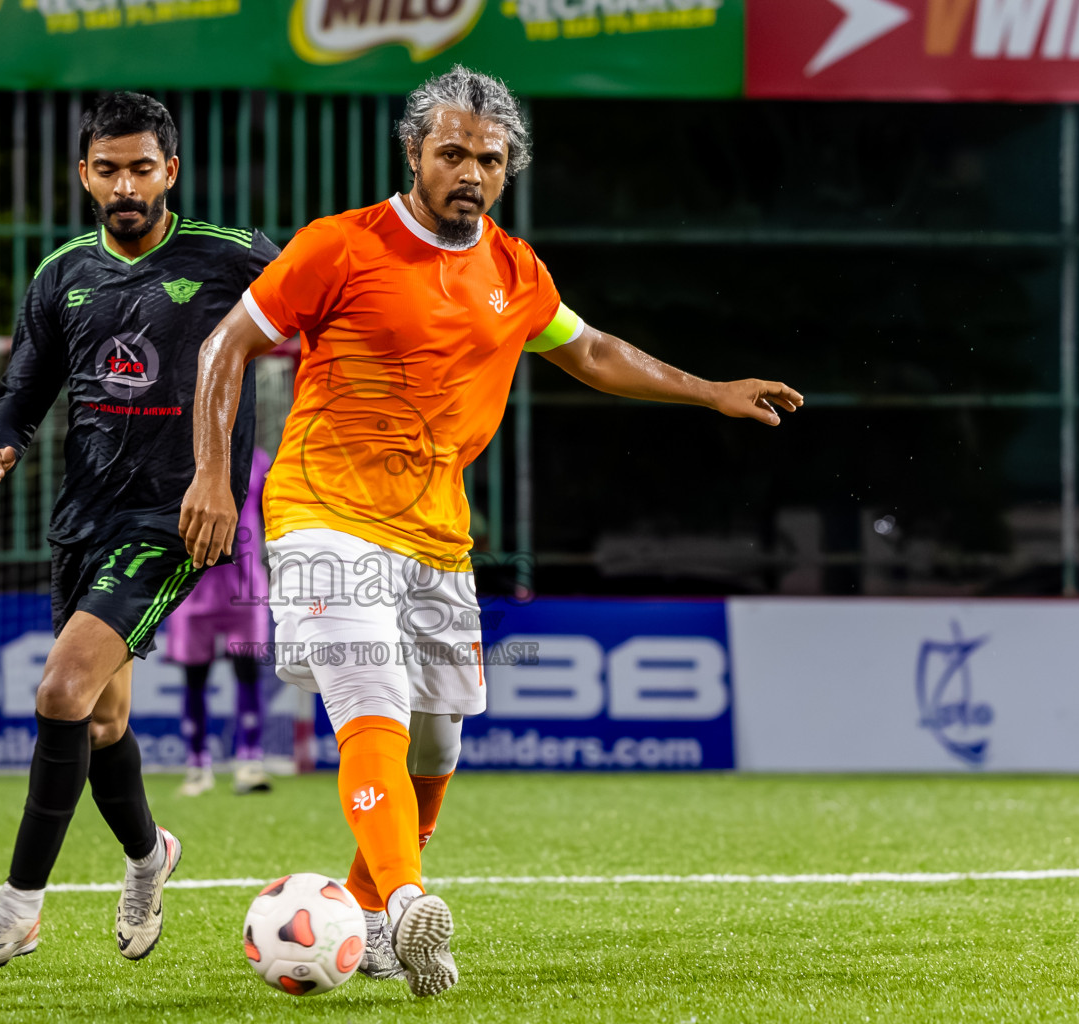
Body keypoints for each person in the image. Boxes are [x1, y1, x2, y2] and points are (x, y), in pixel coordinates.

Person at [179, 66, 803, 997]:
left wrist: (708, 389)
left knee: (438, 745)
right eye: (453, 153)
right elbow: (225, 342)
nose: (471, 170)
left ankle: (373, 913)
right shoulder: (339, 246)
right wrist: (213, 474)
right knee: (372, 701)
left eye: (491, 158)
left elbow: (589, 350)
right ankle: (408, 899)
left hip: (437, 535)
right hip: (324, 515)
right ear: (415, 155)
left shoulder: (514, 268)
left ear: (508, 169)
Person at [0, 91, 279, 970]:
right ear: (84, 176)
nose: (125, 184)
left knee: (60, 692)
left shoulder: (231, 258)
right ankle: (149, 857)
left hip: (175, 516)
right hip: (84, 515)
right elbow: (26, 382)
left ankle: (19, 904)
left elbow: (325, 319)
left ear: (170, 170)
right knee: (97, 723)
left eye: (141, 167)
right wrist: (1, 442)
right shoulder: (62, 274)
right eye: (108, 170)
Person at [165, 447, 275, 797]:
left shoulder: (258, 460)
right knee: (194, 677)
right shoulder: (180, 456)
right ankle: (197, 766)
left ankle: (250, 761)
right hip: (191, 584)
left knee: (248, 673)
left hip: (244, 586)